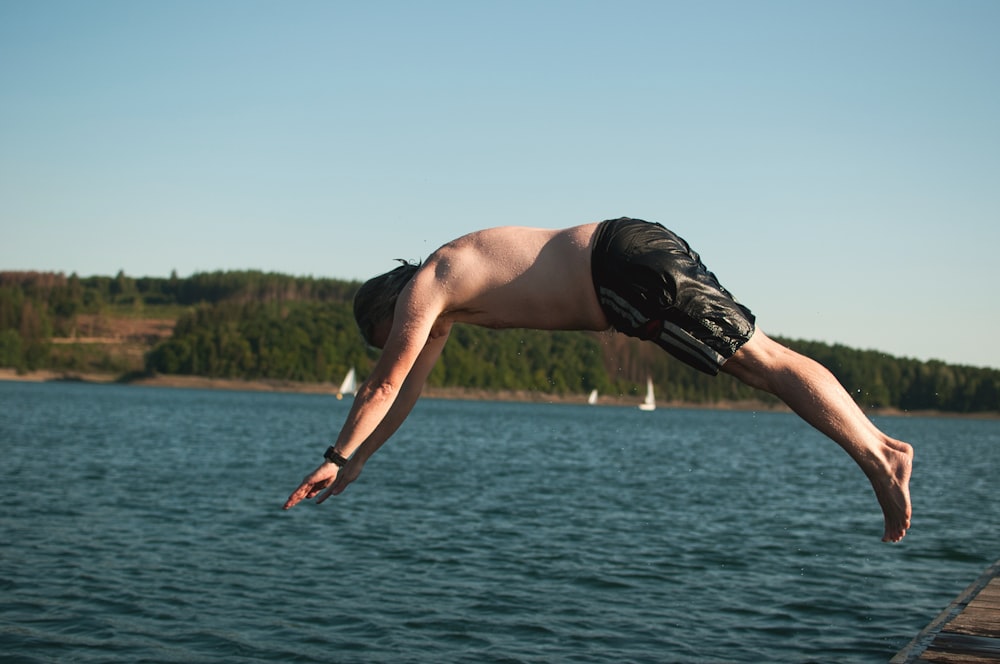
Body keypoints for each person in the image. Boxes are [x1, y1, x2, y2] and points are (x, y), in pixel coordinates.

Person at [283, 217, 913, 543]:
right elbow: (407, 394)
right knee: (764, 362)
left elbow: (382, 386)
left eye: (386, 333)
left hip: (620, 272)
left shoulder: (431, 281)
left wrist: (337, 455)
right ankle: (880, 448)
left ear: (387, 304)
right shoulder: (447, 300)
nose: (396, 342)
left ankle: (877, 456)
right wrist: (360, 458)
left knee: (765, 364)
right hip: (628, 254)